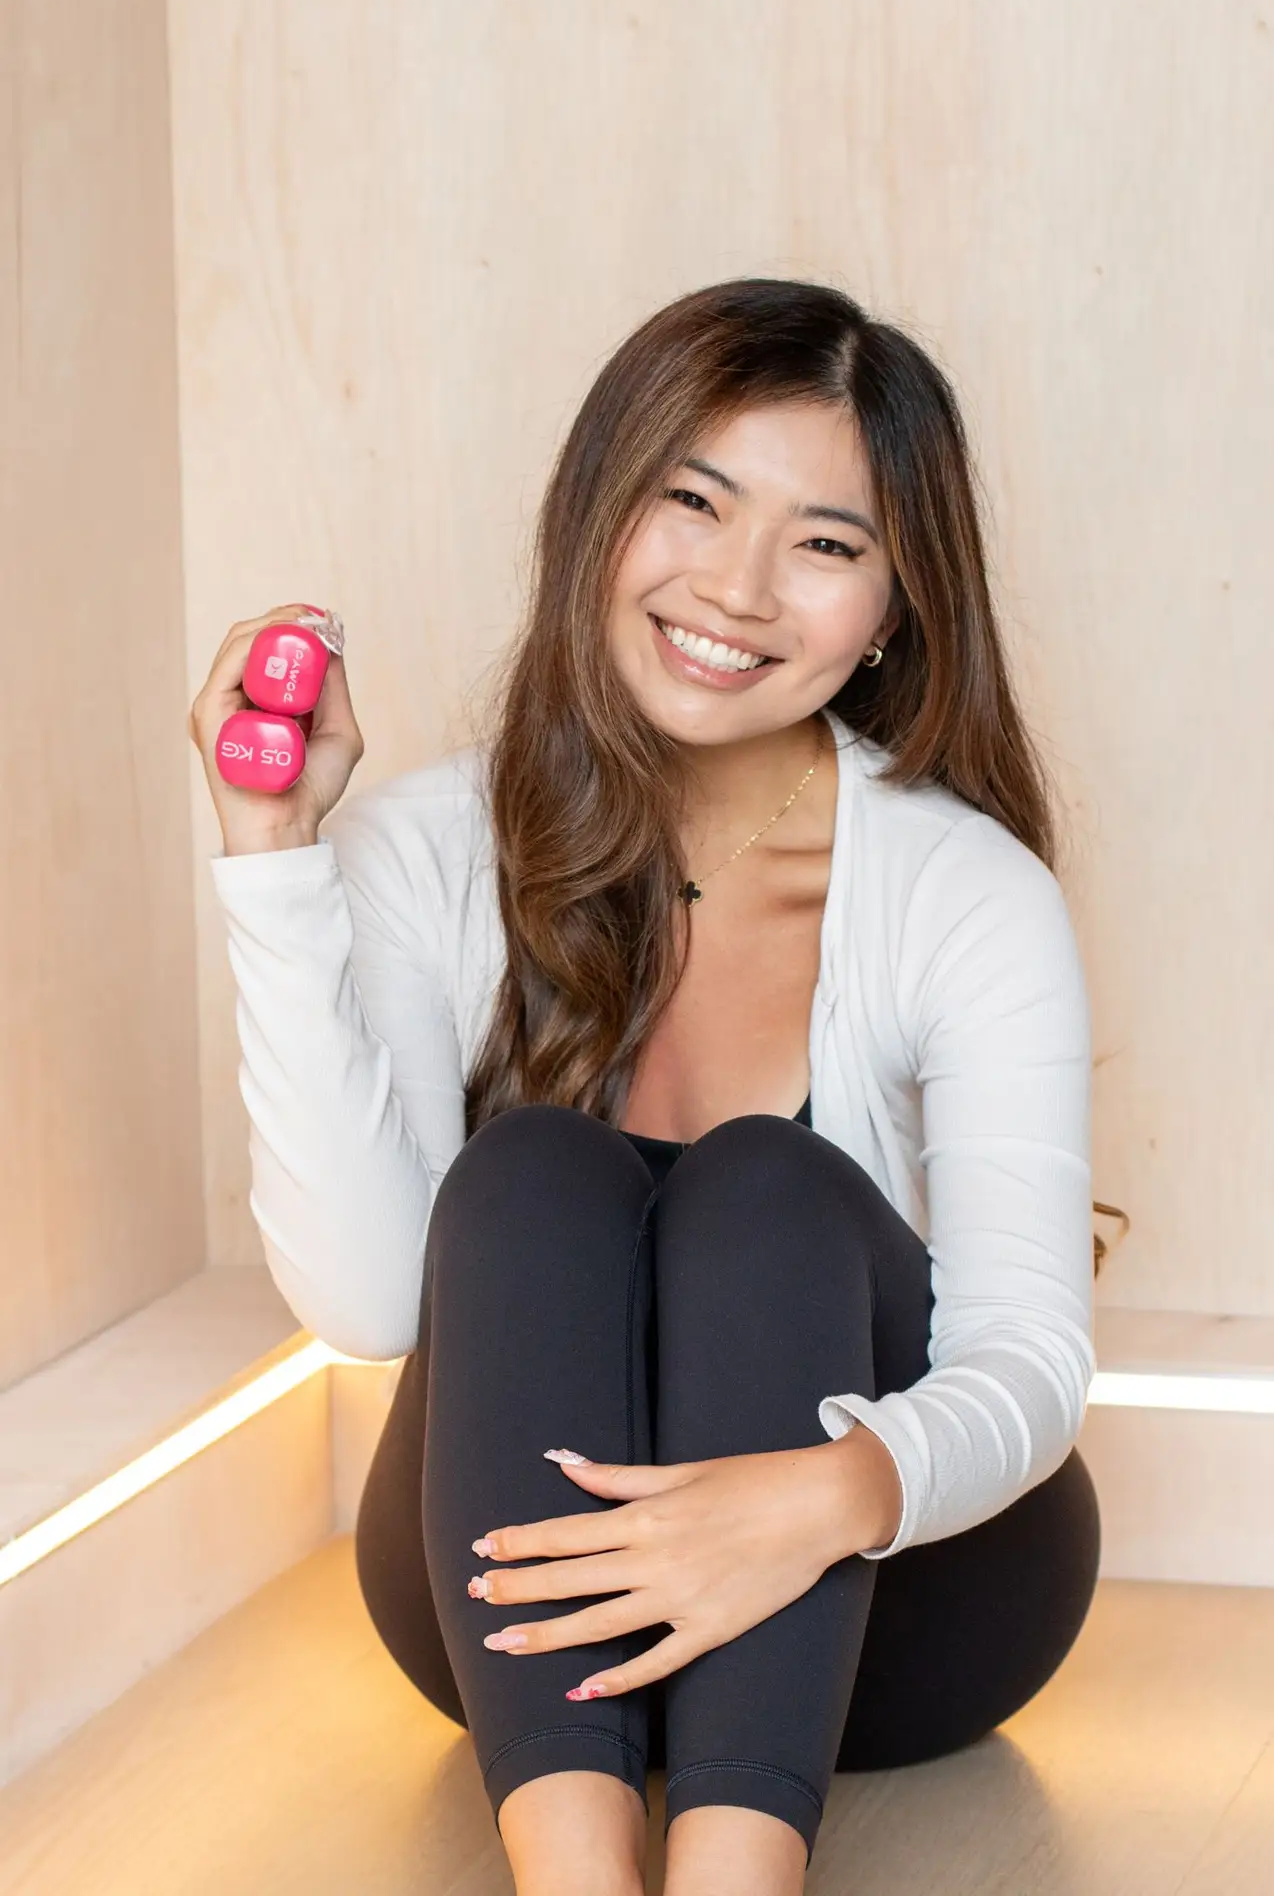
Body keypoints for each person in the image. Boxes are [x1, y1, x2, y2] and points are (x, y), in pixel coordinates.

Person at [191, 278, 1101, 1896]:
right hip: (528, 1625)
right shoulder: (422, 848)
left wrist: (810, 1500)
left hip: (890, 1615)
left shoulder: (962, 892)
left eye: (826, 542)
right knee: (531, 1170)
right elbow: (366, 1304)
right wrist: (274, 865)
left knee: (765, 1185)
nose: (736, 587)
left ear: (894, 608)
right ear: (597, 510)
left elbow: (1029, 1363)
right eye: (694, 500)